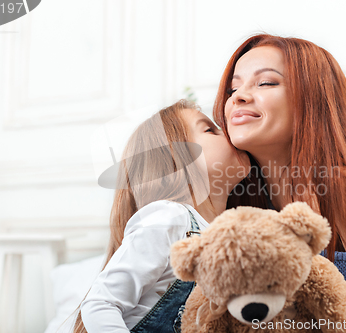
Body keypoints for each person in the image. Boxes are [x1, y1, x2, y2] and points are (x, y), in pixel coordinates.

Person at [213, 34, 346, 332]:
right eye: (233, 88)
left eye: (266, 83)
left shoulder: (341, 188)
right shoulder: (243, 201)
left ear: (312, 99)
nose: (238, 96)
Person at [69, 99, 250, 332]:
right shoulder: (169, 217)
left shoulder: (231, 235)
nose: (226, 132)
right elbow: (100, 304)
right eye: (210, 129)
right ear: (177, 160)